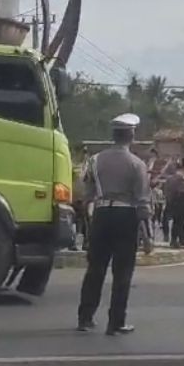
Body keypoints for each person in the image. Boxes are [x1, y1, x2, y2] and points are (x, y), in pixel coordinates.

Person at [77, 114, 151, 335]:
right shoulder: (136, 164)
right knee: (123, 272)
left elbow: (87, 195)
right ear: (131, 135)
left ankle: (85, 317)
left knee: (95, 269)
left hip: (101, 213)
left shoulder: (95, 160)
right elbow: (142, 202)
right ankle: (116, 322)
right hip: (125, 215)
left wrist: (90, 224)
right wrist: (147, 236)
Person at [165, 158, 184, 249]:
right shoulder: (178, 175)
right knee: (178, 220)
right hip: (179, 198)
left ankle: (182, 239)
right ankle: (174, 240)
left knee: (183, 221)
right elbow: (171, 187)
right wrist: (171, 198)